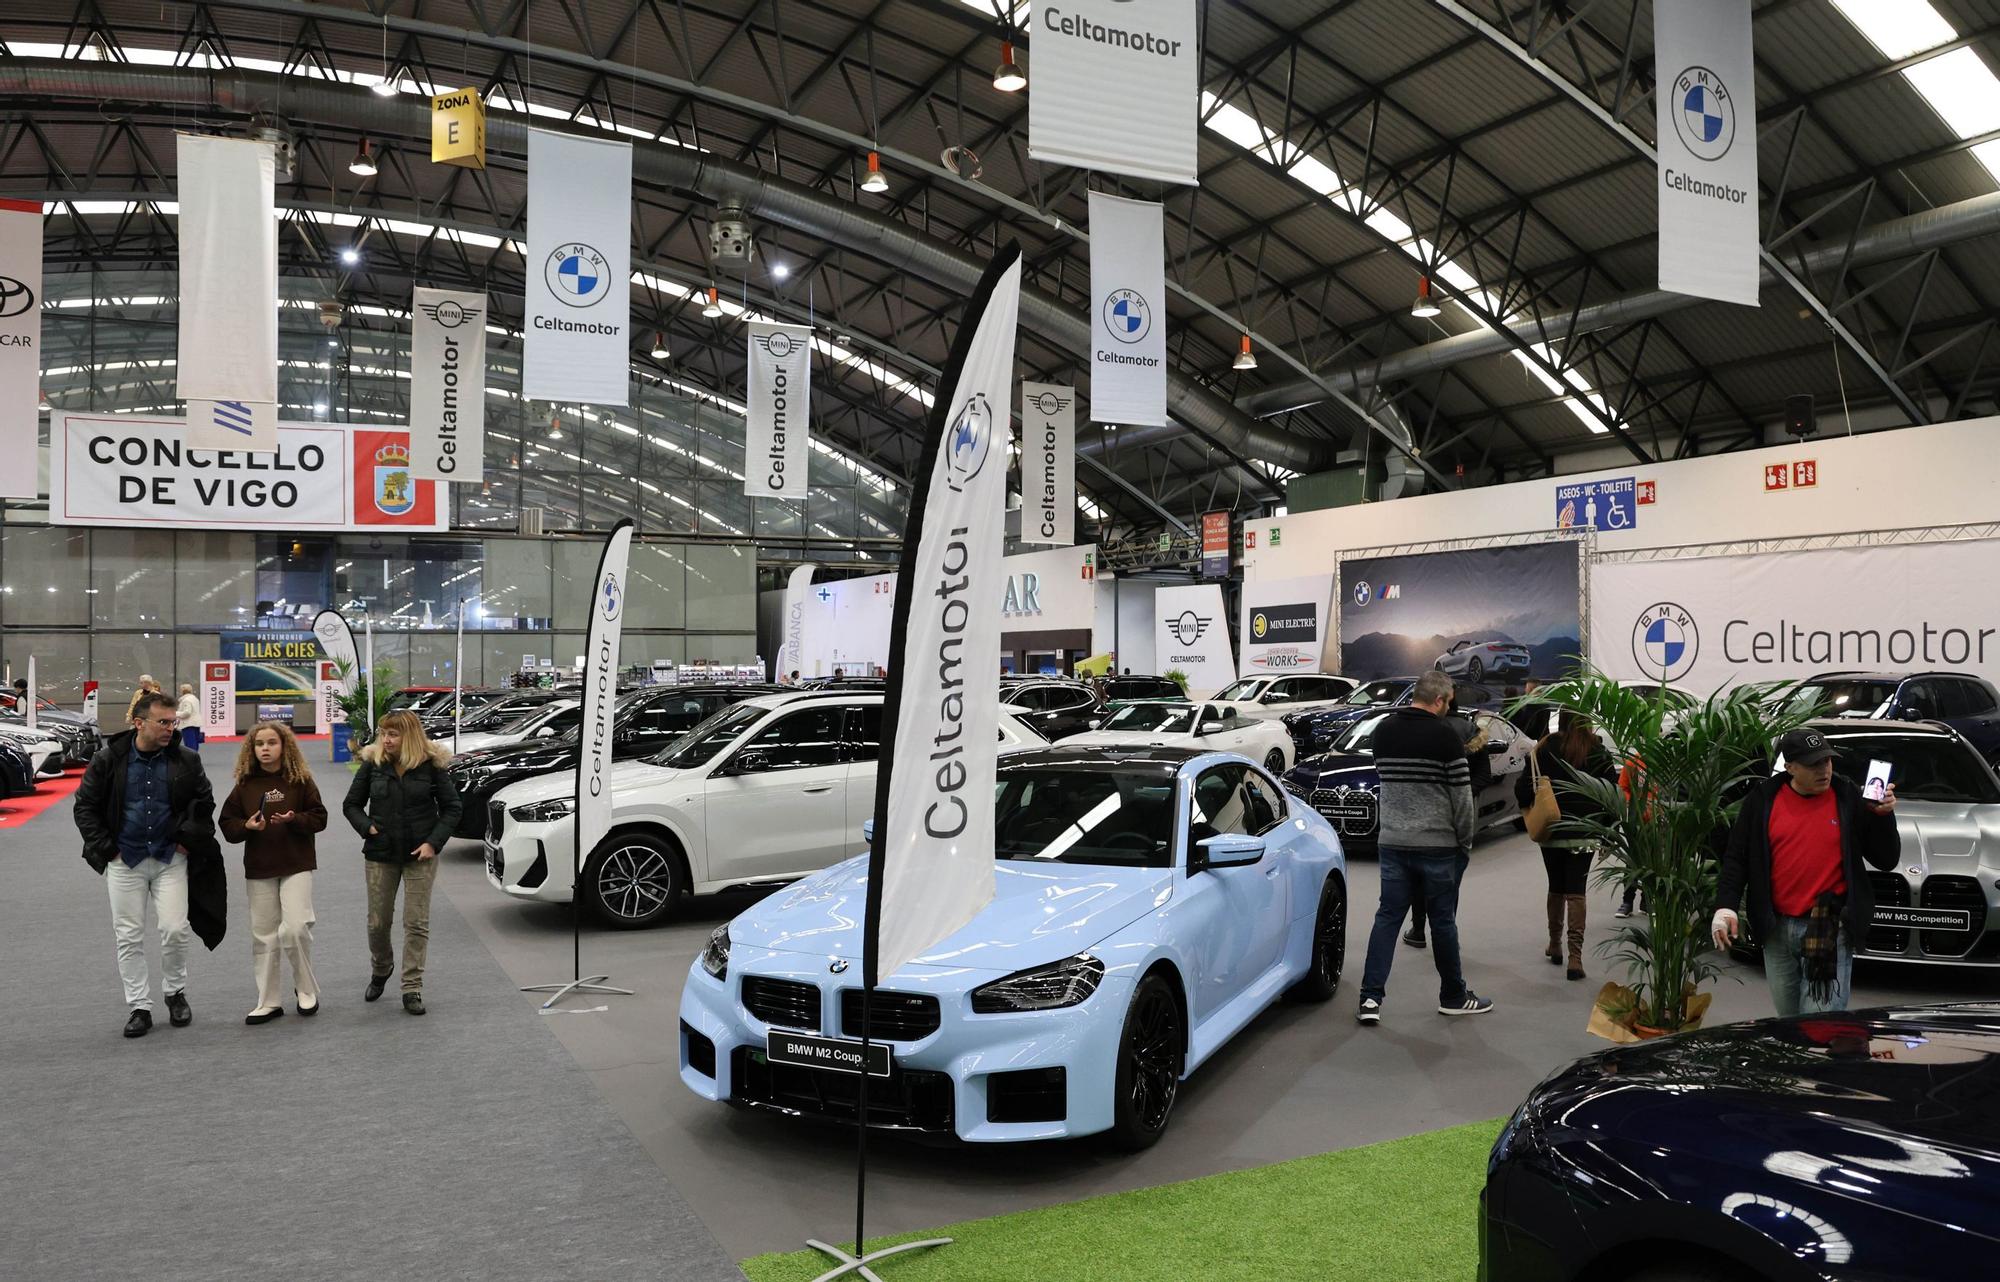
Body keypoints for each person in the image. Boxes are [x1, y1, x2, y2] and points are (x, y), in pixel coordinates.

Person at [1713, 728, 1900, 1017]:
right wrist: (1725, 907)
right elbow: (1737, 858)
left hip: (1828, 929)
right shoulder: (1763, 801)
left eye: (1827, 761)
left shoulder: (1848, 796)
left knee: (1818, 1027)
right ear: (1790, 768)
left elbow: (1886, 859)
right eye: (1813, 764)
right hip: (1776, 931)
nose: (1824, 770)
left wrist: (1883, 819)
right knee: (1789, 1026)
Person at [73, 690, 227, 1038]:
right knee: (128, 937)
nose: (170, 728)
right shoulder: (108, 759)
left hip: (170, 858)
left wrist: (187, 841)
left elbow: (205, 804)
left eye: (173, 722)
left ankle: (175, 993)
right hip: (123, 861)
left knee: (174, 929)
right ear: (139, 722)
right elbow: (85, 808)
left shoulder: (187, 760)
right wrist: (106, 849)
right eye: (163, 722)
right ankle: (139, 1006)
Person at [1357, 670, 1492, 1023]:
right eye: (1448, 702)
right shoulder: (1445, 737)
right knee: (1443, 921)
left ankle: (1370, 1000)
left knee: (1387, 918)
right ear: (1439, 700)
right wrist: (1465, 841)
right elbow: (1461, 798)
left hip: (1392, 843)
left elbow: (1390, 784)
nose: (1449, 708)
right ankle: (1453, 996)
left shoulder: (1383, 731)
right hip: (1438, 846)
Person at [343, 709, 462, 1016]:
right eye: (383, 733)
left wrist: (432, 843)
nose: (386, 739)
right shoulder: (373, 763)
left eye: (393, 734)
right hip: (380, 853)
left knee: (416, 923)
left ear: (408, 736)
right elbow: (351, 804)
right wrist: (366, 826)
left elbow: (452, 808)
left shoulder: (431, 765)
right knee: (378, 922)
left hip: (419, 855)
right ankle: (381, 967)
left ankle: (412, 986)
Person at [219, 721, 328, 1025]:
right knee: (264, 936)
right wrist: (246, 826)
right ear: (251, 749)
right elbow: (227, 825)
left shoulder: (301, 781)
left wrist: (295, 819)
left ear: (284, 747)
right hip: (260, 867)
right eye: (259, 744)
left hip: (296, 863)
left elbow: (320, 818)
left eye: (271, 743)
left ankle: (306, 990)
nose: (265, 749)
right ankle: (268, 1001)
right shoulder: (244, 786)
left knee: (295, 929)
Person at [1516, 711, 1617, 980]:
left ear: (1561, 720)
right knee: (1577, 891)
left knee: (1556, 886)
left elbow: (1524, 788)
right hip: (1586, 832)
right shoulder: (1599, 752)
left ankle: (1555, 944)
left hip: (1553, 830)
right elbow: (1612, 794)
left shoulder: (1546, 748)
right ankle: (1576, 957)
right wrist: (1608, 830)